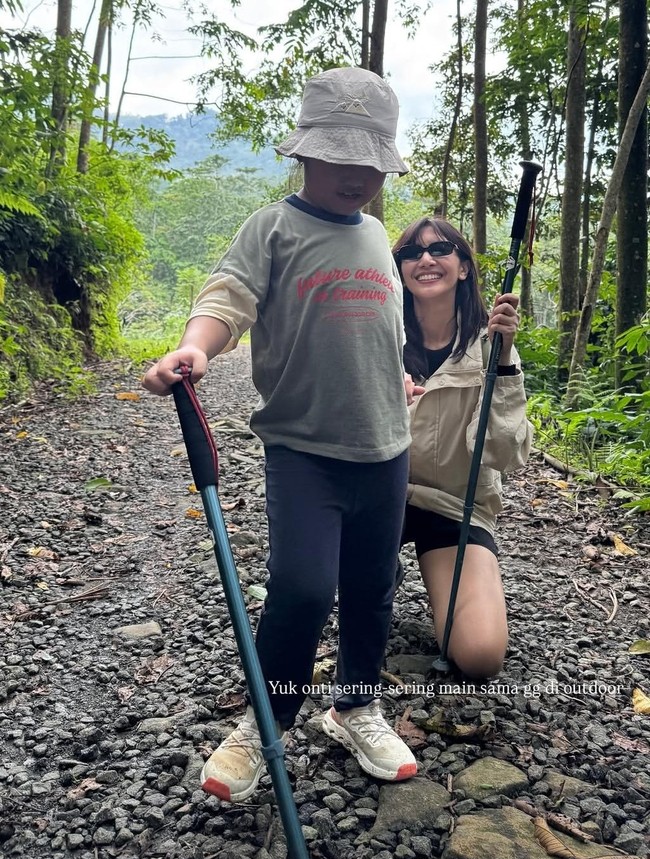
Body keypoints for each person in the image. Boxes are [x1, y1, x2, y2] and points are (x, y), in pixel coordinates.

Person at [143, 67, 419, 803]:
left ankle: (356, 705)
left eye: (370, 162)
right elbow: (227, 297)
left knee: (373, 585)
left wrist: (398, 377)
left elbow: (377, 331)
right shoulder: (273, 227)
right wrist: (196, 346)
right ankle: (267, 718)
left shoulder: (376, 235)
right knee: (301, 587)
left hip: (387, 449)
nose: (356, 175)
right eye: (338, 157)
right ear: (305, 153)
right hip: (304, 450)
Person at [392, 217, 533, 680]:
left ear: (464, 267)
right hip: (378, 499)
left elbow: (502, 455)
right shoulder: (377, 337)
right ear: (398, 269)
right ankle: (374, 569)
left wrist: (503, 362)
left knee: (479, 655)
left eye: (440, 249)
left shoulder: (490, 348)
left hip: (454, 504)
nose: (425, 259)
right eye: (411, 253)